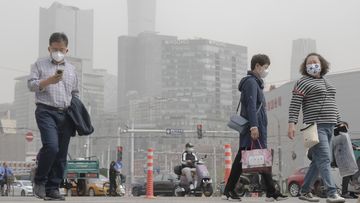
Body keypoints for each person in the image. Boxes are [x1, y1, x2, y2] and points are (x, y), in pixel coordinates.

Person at [224, 54, 288, 201]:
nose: (266, 70)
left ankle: (229, 191)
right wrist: (254, 126)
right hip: (253, 127)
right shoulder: (252, 83)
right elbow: (252, 106)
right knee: (260, 157)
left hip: (255, 126)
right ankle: (271, 192)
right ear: (257, 66)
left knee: (249, 158)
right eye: (265, 67)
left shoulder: (254, 83)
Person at [288, 53, 345, 203]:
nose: (312, 64)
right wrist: (291, 123)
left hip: (330, 125)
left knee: (318, 160)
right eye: (309, 63)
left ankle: (305, 191)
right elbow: (295, 104)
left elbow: (332, 103)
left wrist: (340, 121)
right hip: (314, 126)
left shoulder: (327, 82)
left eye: (315, 62)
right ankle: (332, 193)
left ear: (321, 64)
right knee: (325, 158)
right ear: (305, 67)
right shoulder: (302, 82)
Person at [28, 32, 78, 201]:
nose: (58, 52)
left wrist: (77, 113)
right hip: (45, 111)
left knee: (61, 153)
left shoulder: (71, 70)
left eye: (61, 49)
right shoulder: (39, 65)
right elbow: (31, 85)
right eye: (55, 49)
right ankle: (40, 181)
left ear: (67, 50)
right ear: (49, 48)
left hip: (66, 114)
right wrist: (49, 81)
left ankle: (53, 187)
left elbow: (75, 92)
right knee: (52, 146)